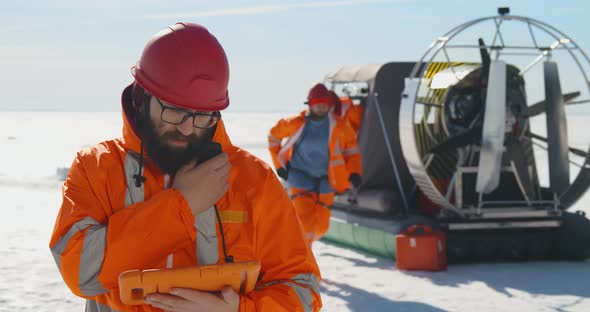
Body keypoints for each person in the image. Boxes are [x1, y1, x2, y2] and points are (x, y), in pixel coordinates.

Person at [49, 22, 322, 312]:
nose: (189, 128)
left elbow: (302, 289)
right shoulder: (96, 168)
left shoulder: (254, 180)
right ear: (141, 99)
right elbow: (81, 273)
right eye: (175, 111)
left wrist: (238, 310)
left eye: (203, 115)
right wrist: (182, 205)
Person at [268, 83, 362, 245]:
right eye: (317, 105)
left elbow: (352, 152)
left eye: (323, 106)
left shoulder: (340, 127)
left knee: (322, 226)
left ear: (329, 106)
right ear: (310, 105)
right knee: (305, 222)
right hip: (300, 178)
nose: (320, 109)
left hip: (326, 181)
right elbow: (273, 137)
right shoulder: (295, 123)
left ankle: (304, 247)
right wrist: (279, 166)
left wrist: (354, 173)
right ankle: (302, 256)